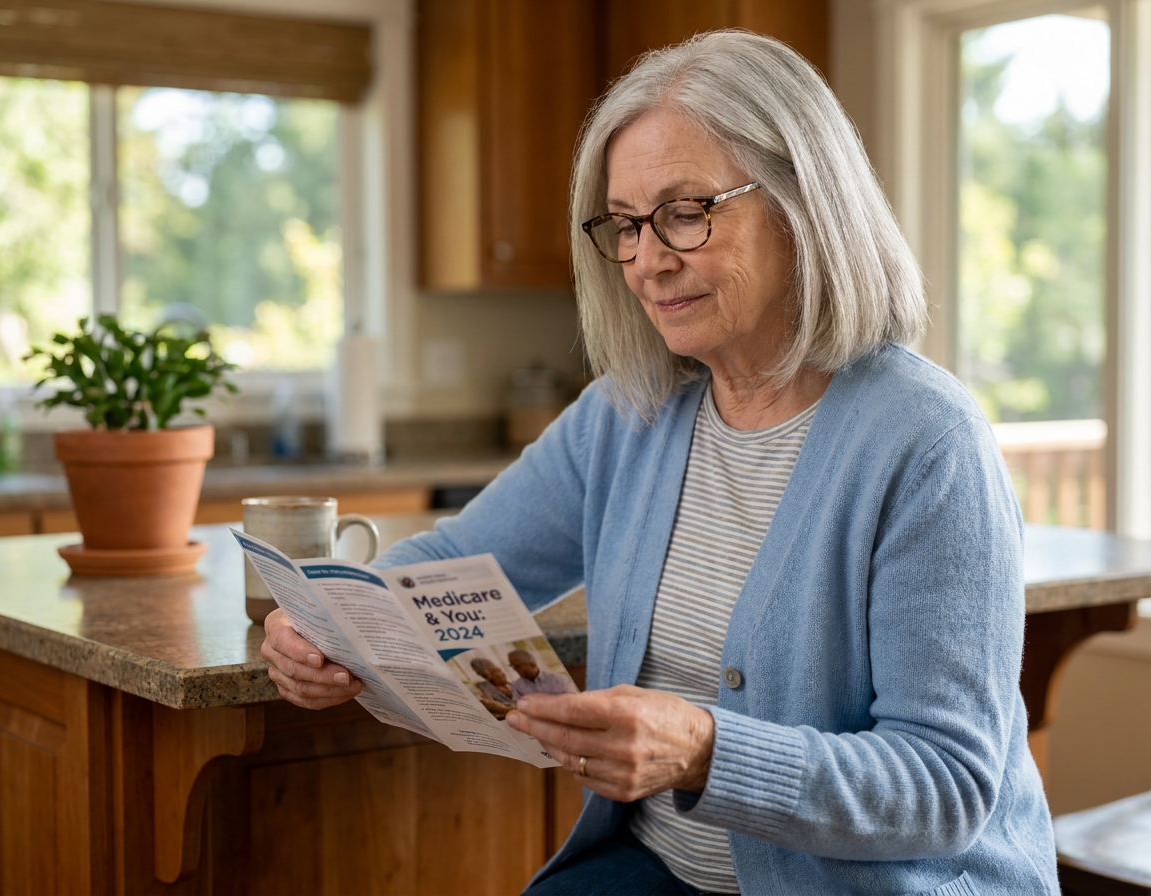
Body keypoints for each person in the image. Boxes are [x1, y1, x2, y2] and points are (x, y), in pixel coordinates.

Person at [260, 29, 1058, 895]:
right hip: (660, 869)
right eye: (627, 225)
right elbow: (450, 564)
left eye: (686, 213)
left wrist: (705, 750)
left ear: (803, 204)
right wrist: (326, 619)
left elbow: (945, 786)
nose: (647, 261)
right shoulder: (628, 413)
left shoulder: (927, 440)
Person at [508, 649, 574, 699]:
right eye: (513, 666)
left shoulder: (559, 680)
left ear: (532, 664)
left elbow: (572, 701)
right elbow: (518, 706)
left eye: (517, 666)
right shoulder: (517, 686)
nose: (515, 669)